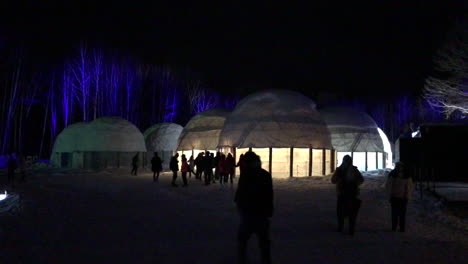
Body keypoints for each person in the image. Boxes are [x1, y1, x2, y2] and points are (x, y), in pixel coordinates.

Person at [235, 151, 273, 264]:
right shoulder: (265, 174)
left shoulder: (246, 175)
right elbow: (269, 194)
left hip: (248, 213)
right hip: (261, 213)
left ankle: (242, 260)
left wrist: (240, 205)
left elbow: (240, 194)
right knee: (264, 242)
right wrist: (269, 209)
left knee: (242, 240)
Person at [331, 155, 364, 236]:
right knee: (350, 212)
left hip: (345, 194)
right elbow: (361, 180)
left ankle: (342, 227)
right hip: (349, 194)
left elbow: (333, 180)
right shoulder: (353, 170)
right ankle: (349, 228)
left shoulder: (341, 170)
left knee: (343, 212)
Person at [386, 162, 413, 232]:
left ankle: (397, 227)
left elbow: (389, 187)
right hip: (399, 198)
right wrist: (408, 196)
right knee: (400, 213)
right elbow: (409, 187)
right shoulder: (406, 175)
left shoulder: (393, 175)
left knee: (397, 213)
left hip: (398, 197)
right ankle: (399, 227)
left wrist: (407, 196)